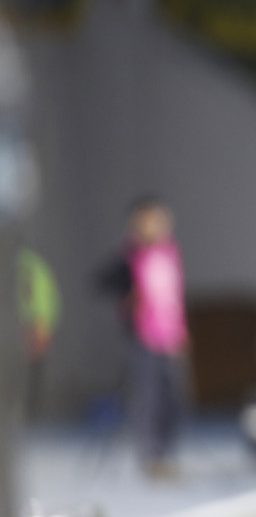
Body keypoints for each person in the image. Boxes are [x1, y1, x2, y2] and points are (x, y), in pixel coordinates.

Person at [98, 196, 190, 480]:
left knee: (172, 400)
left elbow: (175, 296)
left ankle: (167, 453)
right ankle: (152, 457)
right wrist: (127, 296)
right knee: (147, 400)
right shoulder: (130, 255)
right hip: (143, 338)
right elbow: (104, 281)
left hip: (170, 337)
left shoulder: (169, 252)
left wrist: (182, 332)